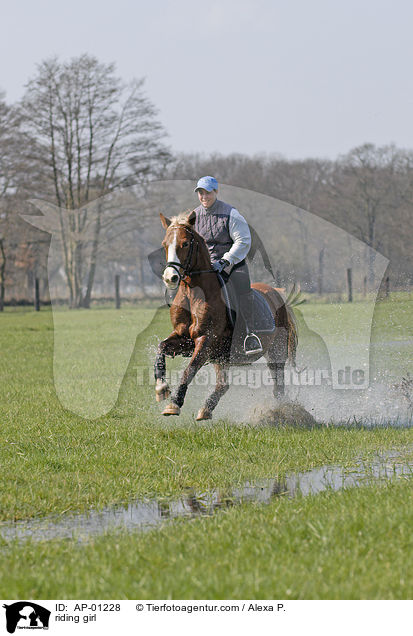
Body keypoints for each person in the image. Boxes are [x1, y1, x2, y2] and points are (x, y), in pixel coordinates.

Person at [193, 176, 262, 354]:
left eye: (207, 192)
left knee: (242, 289)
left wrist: (226, 260)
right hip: (206, 267)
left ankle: (250, 335)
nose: (204, 197)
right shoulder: (193, 216)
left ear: (216, 192)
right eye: (201, 193)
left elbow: (243, 241)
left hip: (232, 263)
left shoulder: (231, 213)